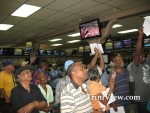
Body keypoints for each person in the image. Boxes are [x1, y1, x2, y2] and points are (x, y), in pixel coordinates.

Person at [130, 27, 150, 113]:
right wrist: (140, 36)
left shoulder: (147, 62)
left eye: (144, 54)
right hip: (140, 99)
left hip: (148, 98)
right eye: (140, 55)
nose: (143, 56)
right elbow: (137, 52)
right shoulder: (134, 66)